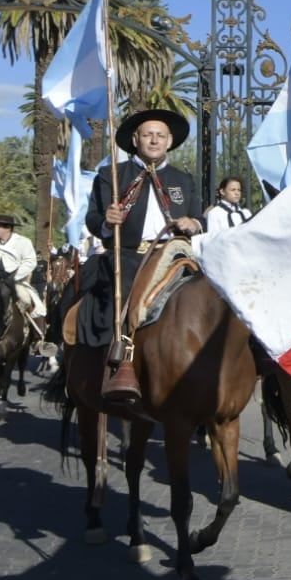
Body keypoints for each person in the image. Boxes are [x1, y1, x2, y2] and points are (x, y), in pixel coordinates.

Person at [79, 109, 204, 405]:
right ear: (135, 139)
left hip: (173, 257)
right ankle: (119, 365)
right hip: (126, 256)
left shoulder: (183, 179)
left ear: (170, 141)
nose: (154, 140)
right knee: (116, 293)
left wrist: (194, 223)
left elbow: (201, 217)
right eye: (148, 134)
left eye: (160, 135)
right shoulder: (112, 175)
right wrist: (108, 220)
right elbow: (93, 218)